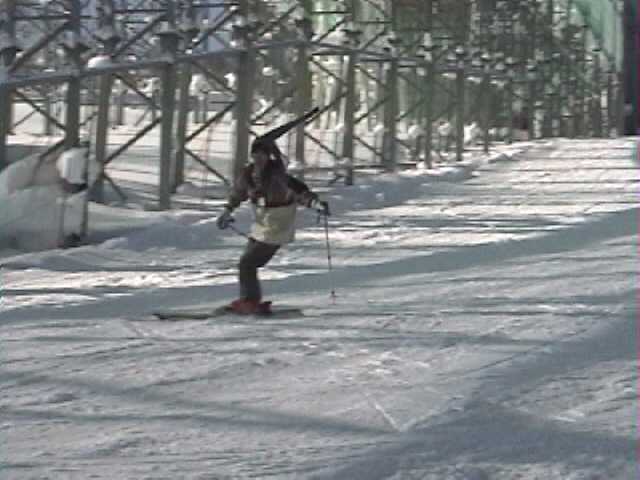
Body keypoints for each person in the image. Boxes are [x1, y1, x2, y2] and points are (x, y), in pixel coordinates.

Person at [216, 136, 329, 315]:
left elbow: (300, 192)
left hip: (278, 225)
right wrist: (227, 210)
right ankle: (250, 300)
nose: (258, 158)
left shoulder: (278, 176)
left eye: (262, 154)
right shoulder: (248, 174)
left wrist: (315, 204)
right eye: (255, 154)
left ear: (268, 156)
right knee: (246, 264)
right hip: (261, 224)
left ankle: (249, 302)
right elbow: (238, 193)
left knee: (247, 263)